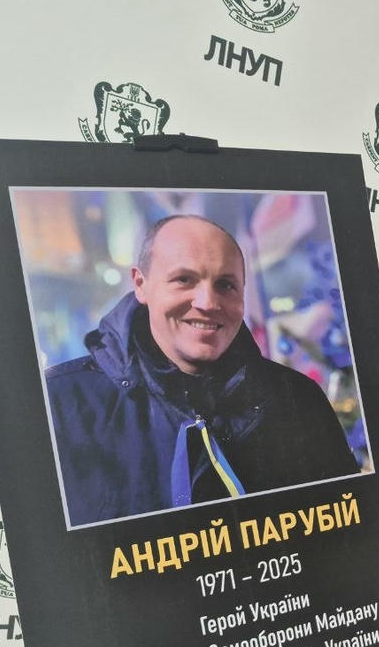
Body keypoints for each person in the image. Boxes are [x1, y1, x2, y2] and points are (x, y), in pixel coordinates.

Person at [46, 214, 359, 526]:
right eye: (184, 279)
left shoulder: (297, 399)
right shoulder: (61, 405)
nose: (208, 303)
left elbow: (345, 532)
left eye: (226, 284)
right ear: (141, 284)